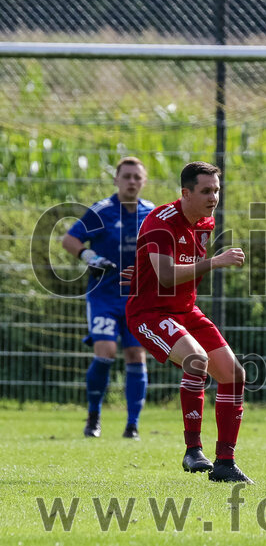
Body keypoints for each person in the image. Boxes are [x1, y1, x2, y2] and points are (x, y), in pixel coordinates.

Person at [126, 161, 253, 483]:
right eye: (206, 191)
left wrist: (143, 270)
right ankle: (193, 450)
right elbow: (167, 276)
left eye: (217, 191)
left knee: (234, 374)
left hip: (185, 310)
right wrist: (214, 262)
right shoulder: (160, 222)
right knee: (196, 360)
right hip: (151, 313)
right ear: (186, 192)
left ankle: (225, 462)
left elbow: (170, 266)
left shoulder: (205, 221)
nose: (214, 197)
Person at [62, 157, 154, 439]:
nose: (131, 182)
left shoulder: (152, 213)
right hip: (103, 296)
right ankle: (93, 417)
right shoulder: (101, 211)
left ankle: (132, 425)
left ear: (144, 181)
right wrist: (90, 256)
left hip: (137, 299)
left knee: (136, 354)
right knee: (106, 351)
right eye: (126, 176)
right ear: (116, 180)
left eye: (136, 177)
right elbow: (69, 239)